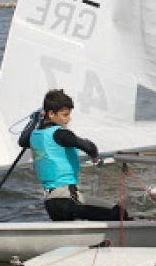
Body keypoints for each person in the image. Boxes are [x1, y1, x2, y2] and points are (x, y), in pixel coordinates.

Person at [26, 89, 129, 221]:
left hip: (50, 203)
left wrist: (35, 120)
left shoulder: (34, 135)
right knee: (120, 213)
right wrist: (94, 154)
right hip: (68, 200)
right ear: (51, 113)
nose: (69, 119)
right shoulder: (61, 134)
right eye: (65, 115)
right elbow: (89, 147)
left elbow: (22, 140)